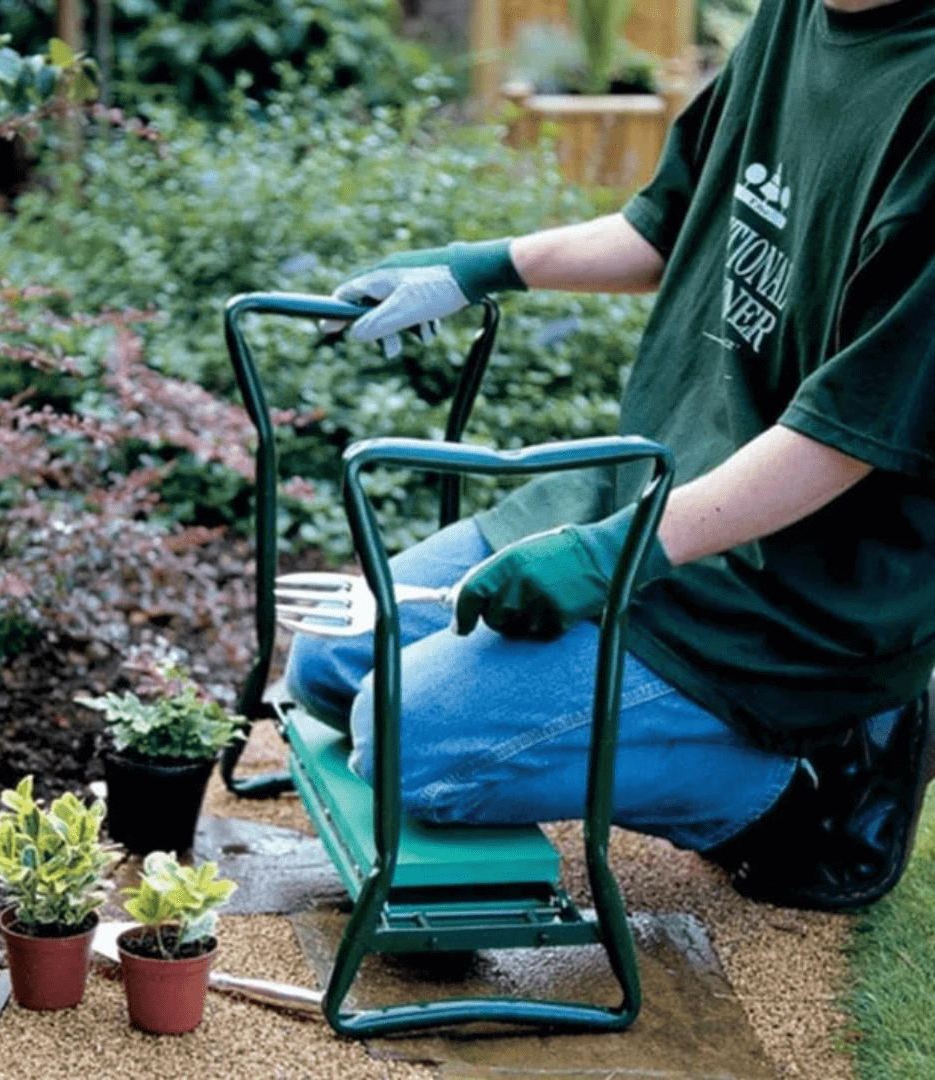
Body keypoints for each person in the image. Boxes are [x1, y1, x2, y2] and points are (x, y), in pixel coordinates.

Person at [285, 0, 935, 908]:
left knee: (401, 739)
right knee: (330, 659)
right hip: (658, 481)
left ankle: (813, 783)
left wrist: (609, 558)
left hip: (794, 586)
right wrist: (477, 266)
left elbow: (844, 435)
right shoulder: (799, 13)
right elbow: (666, 224)